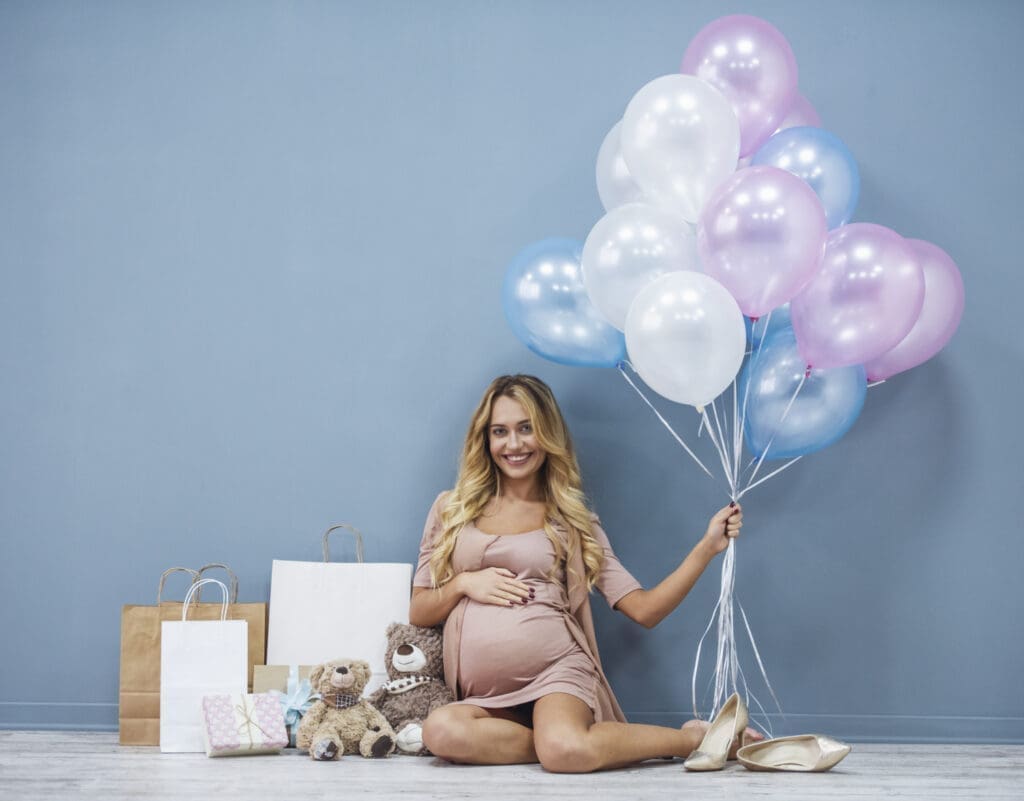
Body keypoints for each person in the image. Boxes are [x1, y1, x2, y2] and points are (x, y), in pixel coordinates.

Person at [409, 374, 759, 773]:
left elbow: (645, 610)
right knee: (440, 733)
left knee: (566, 754)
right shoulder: (450, 509)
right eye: (500, 432)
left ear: (547, 433)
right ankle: (552, 740)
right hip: (483, 693)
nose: (514, 444)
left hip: (556, 672)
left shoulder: (573, 523)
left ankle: (694, 739)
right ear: (485, 440)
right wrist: (463, 583)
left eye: (527, 429)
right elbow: (419, 610)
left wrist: (707, 547)